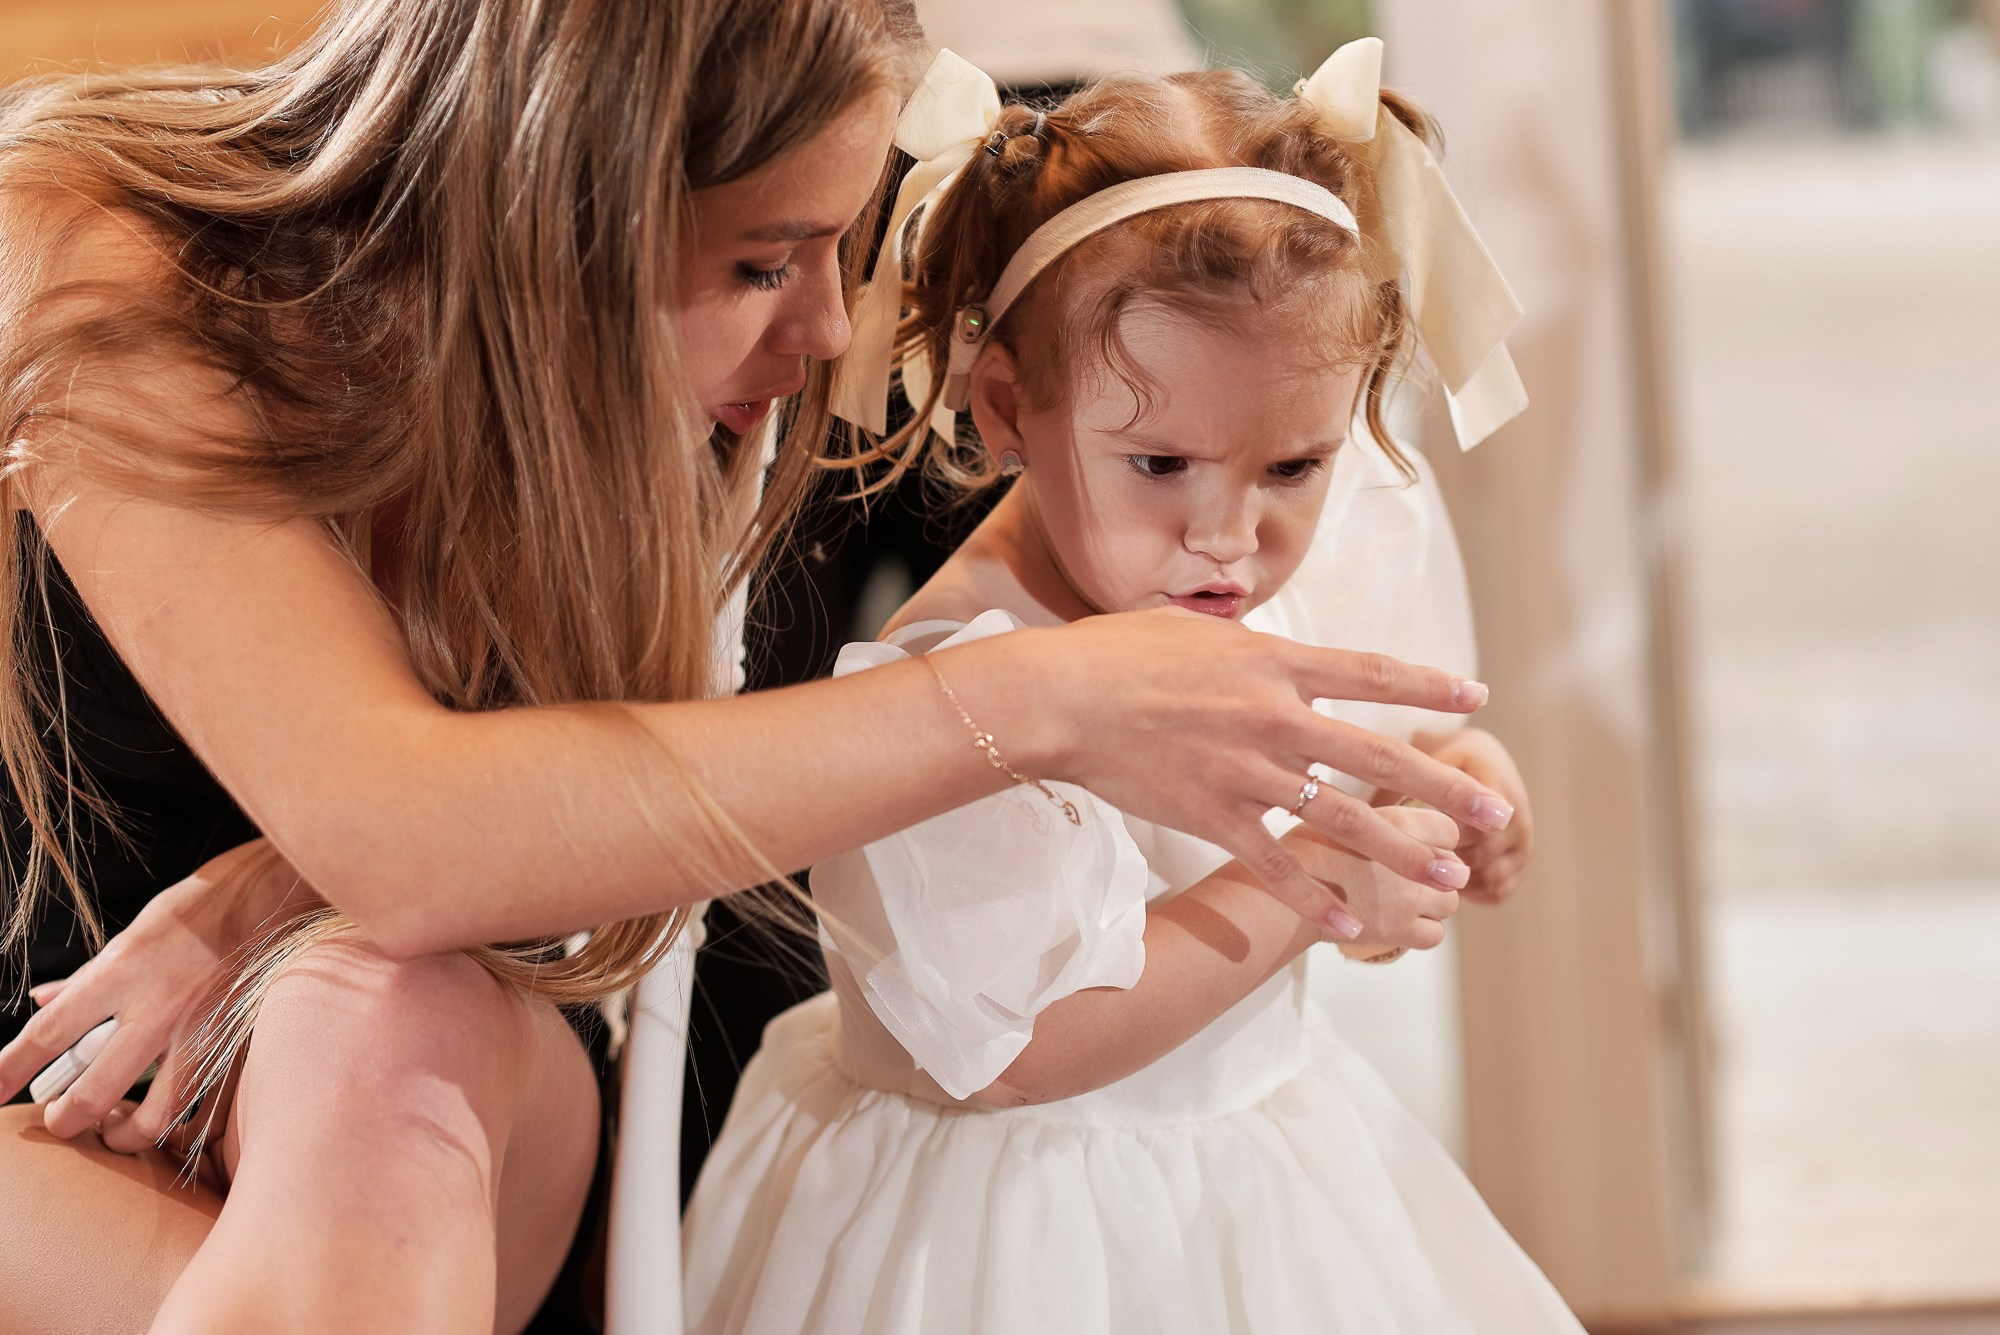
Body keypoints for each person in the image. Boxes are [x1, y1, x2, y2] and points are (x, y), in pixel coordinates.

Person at [0, 4, 1515, 1331]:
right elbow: (409, 831)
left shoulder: (682, 400)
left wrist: (293, 882)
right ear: (554, 199)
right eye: (763, 259)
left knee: (379, 1007)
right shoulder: (88, 248)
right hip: (43, 1137)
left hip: (427, 1121)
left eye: (839, 248)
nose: (831, 327)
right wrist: (1036, 705)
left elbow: (475, 849)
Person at [681, 44, 1570, 1333]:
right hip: (1000, 1231)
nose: (1229, 534)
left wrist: (1448, 810)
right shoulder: (951, 692)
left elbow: (1394, 771)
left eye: (1292, 468)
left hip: (1253, 1176)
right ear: (1006, 410)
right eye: (1159, 462)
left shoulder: (1320, 555)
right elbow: (1028, 1051)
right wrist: (1322, 874)